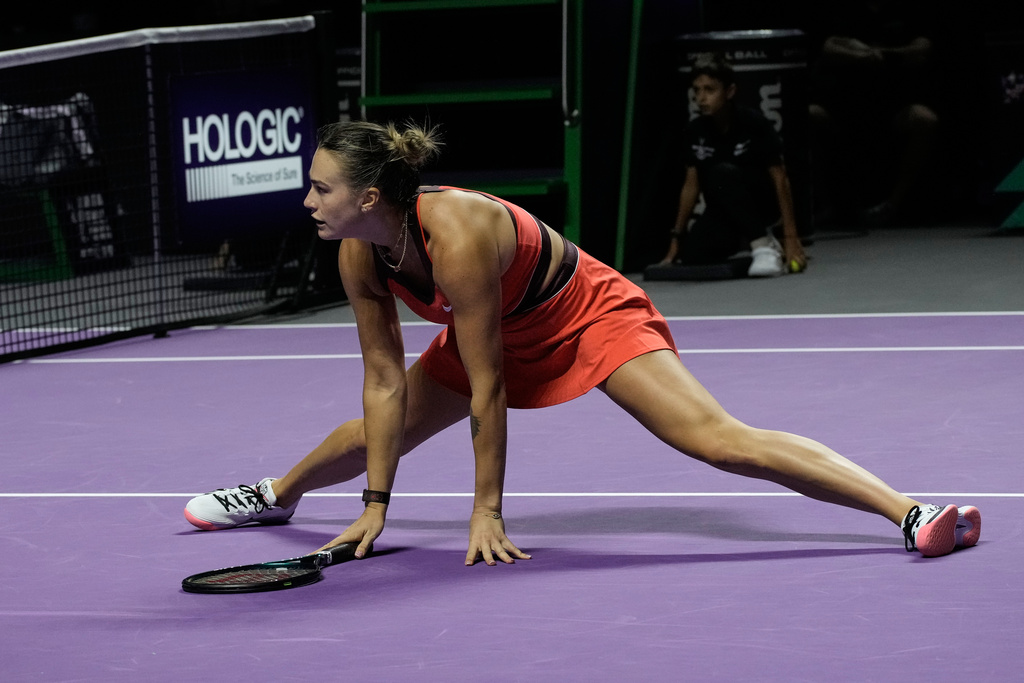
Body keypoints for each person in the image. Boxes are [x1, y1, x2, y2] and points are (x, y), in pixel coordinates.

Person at [184, 120, 980, 565]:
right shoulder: (357, 251)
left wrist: (486, 510)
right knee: (369, 436)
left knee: (717, 441)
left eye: (321, 186)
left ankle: (911, 510)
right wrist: (376, 507)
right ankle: (274, 494)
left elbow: (488, 386)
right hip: (493, 325)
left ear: (367, 195)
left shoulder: (454, 232)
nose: (307, 198)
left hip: (582, 314)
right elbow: (385, 383)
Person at [656, 54, 805, 277]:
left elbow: (779, 177)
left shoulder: (754, 123)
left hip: (762, 207)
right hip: (725, 210)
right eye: (697, 90)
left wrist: (791, 236)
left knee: (721, 173)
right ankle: (751, 241)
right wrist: (676, 240)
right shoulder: (695, 130)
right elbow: (691, 186)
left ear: (730, 91)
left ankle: (764, 243)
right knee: (694, 254)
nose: (701, 98)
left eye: (709, 90)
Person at [808, 0, 939, 227]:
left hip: (892, 107)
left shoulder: (909, 10)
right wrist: (866, 57)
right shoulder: (842, 10)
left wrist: (874, 51)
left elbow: (922, 50)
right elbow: (829, 47)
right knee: (808, 115)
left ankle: (892, 205)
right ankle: (825, 206)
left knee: (925, 119)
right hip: (843, 106)